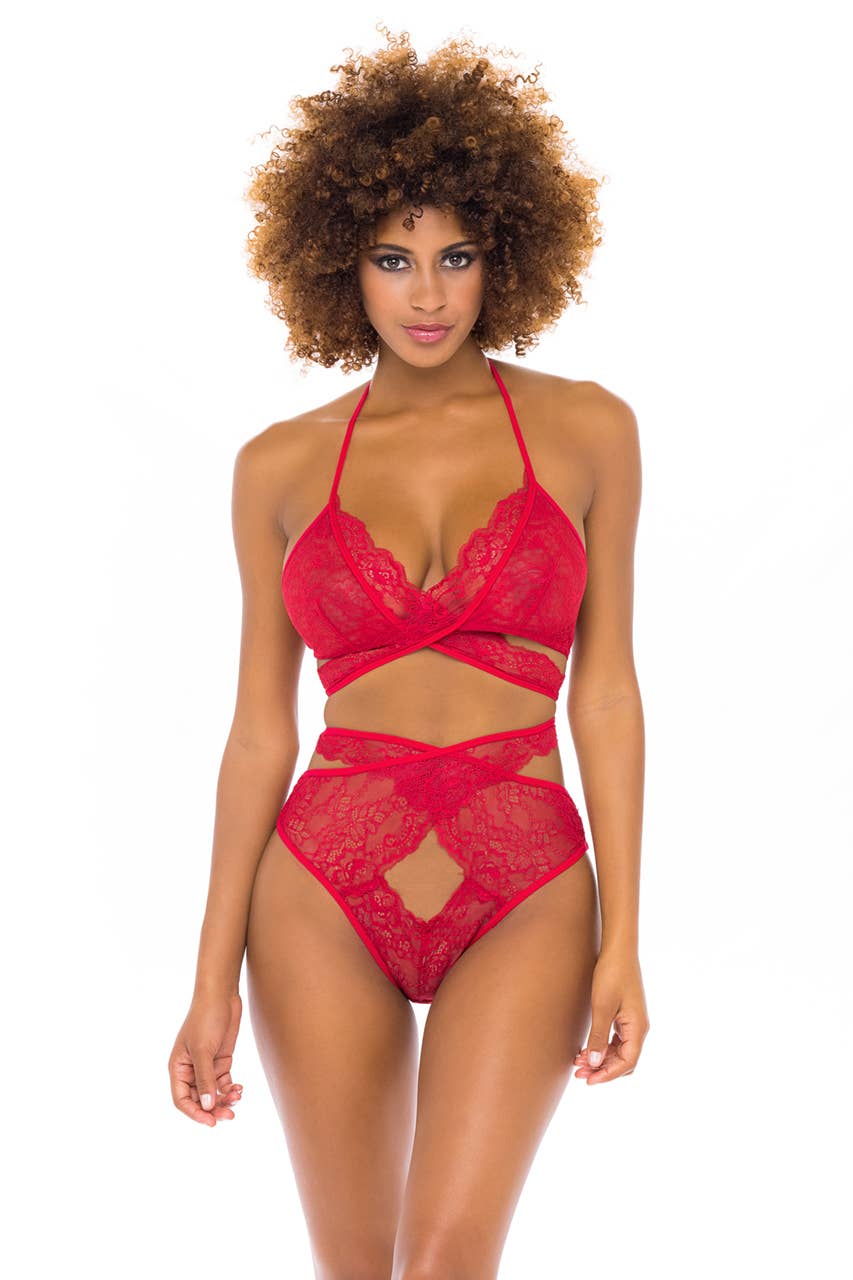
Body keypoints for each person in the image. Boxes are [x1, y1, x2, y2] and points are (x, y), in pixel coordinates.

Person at [168, 26, 649, 1279]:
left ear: (506, 255)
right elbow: (258, 730)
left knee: (443, 1261)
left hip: (524, 874)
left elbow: (605, 691)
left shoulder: (588, 429)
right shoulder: (278, 465)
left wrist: (625, 934)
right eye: (393, 258)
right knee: (356, 1268)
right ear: (341, 263)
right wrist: (209, 976)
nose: (427, 295)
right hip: (321, 881)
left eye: (455, 256)